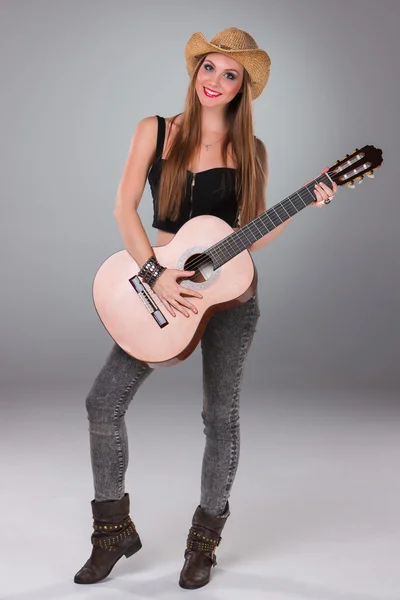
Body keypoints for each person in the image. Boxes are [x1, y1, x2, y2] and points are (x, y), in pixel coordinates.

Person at [73, 27, 337, 590]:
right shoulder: (157, 131)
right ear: (195, 72)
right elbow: (124, 210)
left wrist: (306, 199)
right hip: (158, 285)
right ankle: (112, 530)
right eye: (208, 68)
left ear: (244, 87)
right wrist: (155, 272)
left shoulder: (250, 151)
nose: (214, 81)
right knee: (103, 403)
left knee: (221, 419)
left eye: (229, 74)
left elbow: (249, 234)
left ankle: (204, 542)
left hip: (228, 299)